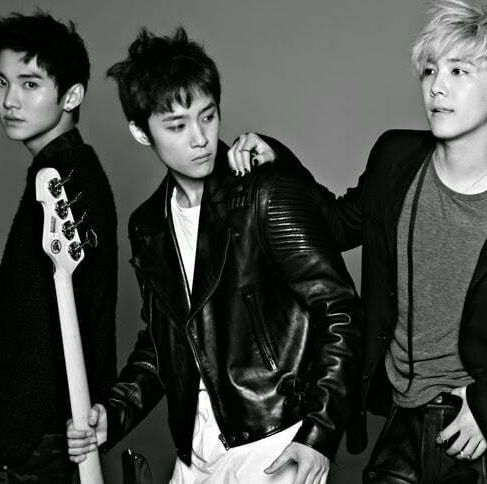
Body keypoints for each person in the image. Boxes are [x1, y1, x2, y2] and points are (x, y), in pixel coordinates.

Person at [230, 0, 487, 483]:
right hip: (402, 417)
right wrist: (280, 161)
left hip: (484, 429)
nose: (437, 87)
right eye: (430, 70)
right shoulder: (394, 159)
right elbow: (335, 225)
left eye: (459, 71)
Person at [65, 27, 363, 484]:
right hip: (195, 448)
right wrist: (116, 412)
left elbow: (339, 310)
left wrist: (318, 434)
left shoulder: (265, 194)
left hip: (276, 437)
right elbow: (163, 341)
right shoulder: (148, 225)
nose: (200, 138)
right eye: (177, 126)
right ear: (141, 132)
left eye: (208, 117)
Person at [0, 11, 118, 484]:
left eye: (30, 84)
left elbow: (64, 325)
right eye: (1, 82)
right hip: (36, 434)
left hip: (36, 441)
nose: (9, 100)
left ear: (71, 95)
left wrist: (19, 434)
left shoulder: (64, 179)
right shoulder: (62, 170)